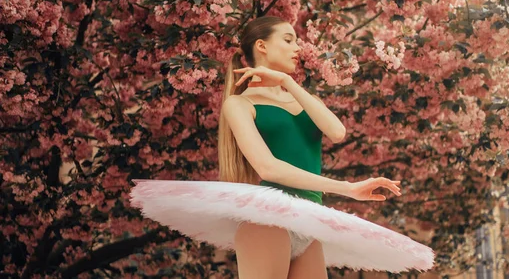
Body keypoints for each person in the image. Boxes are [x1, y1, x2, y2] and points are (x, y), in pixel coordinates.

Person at [130, 15, 435, 278]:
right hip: (269, 221)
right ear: (261, 46)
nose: (297, 48)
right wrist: (348, 188)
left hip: (309, 219)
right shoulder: (239, 104)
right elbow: (268, 167)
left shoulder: (302, 97)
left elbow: (337, 131)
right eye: (288, 40)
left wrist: (287, 82)